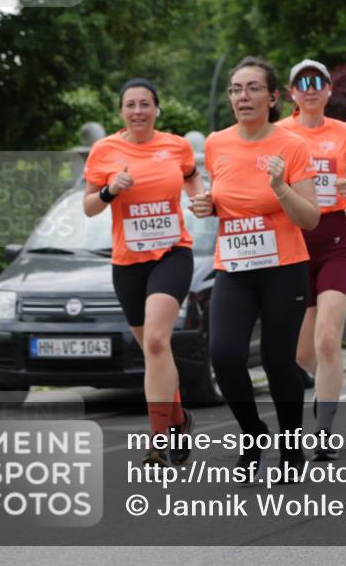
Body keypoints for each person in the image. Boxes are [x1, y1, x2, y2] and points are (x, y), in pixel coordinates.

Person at [192, 56, 320, 477]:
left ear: (272, 97)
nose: (242, 96)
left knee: (277, 360)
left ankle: (291, 450)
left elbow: (310, 218)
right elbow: (226, 199)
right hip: (234, 268)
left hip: (284, 267)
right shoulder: (217, 143)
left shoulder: (292, 145)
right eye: (235, 89)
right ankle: (253, 434)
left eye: (252, 88)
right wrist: (208, 206)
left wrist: (280, 187)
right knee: (224, 356)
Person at [83, 78, 203, 466]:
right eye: (131, 105)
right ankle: (179, 419)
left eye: (145, 104)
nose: (138, 111)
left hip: (172, 254)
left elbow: (191, 176)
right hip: (128, 263)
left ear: (156, 109)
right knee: (155, 350)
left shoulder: (176, 146)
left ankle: (158, 441)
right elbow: (89, 207)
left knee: (155, 340)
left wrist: (200, 198)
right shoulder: (104, 151)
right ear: (121, 111)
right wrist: (109, 191)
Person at [278, 59, 346, 460]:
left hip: (335, 240)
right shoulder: (279, 134)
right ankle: (320, 390)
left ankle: (324, 429)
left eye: (317, 82)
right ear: (291, 93)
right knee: (300, 353)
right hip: (293, 243)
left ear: (329, 89)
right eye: (302, 83)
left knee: (328, 340)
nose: (310, 89)